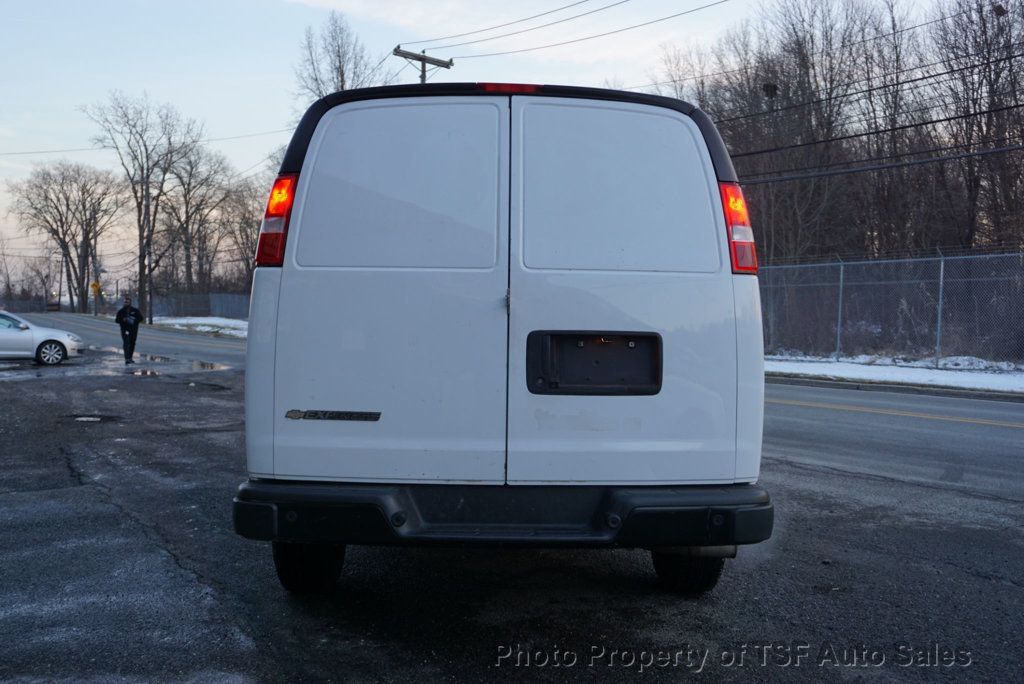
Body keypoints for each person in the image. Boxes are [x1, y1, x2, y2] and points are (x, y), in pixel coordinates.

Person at [115, 294, 143, 364]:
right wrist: (123, 320)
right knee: (126, 343)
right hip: (125, 330)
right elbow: (117, 320)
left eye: (127, 302)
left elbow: (141, 318)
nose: (126, 303)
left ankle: (130, 357)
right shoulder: (121, 311)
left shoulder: (135, 311)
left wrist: (133, 320)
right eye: (125, 302)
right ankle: (126, 358)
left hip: (133, 330)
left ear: (130, 302)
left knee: (132, 343)